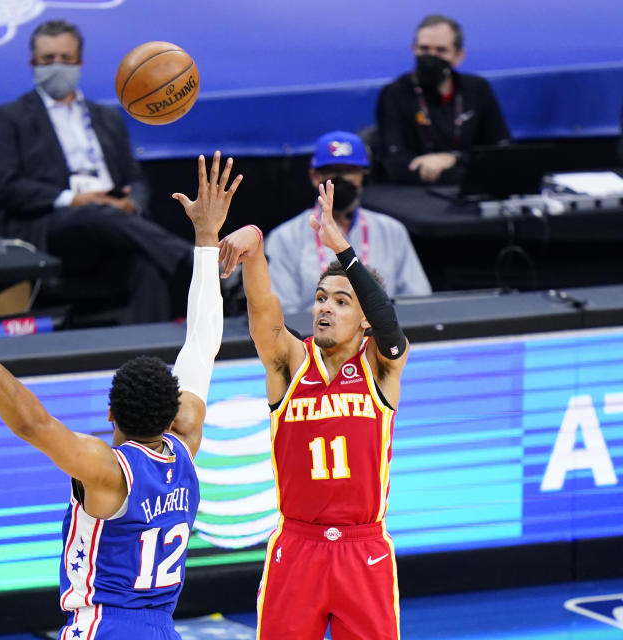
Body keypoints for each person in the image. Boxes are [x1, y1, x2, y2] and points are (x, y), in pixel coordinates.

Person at [0, 152, 240, 639]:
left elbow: (32, 424)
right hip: (164, 629)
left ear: (111, 412)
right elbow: (202, 343)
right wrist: (206, 238)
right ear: (170, 411)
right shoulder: (187, 442)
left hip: (106, 627)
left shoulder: (106, 469)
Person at [218, 180, 409, 639]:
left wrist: (340, 247)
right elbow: (264, 310)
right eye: (322, 297)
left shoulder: (381, 365)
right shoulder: (290, 361)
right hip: (297, 546)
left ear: (364, 318)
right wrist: (254, 250)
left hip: (363, 549)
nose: (325, 307)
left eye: (342, 302)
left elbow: (388, 320)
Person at [0, 20, 194, 324]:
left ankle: (149, 358)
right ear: (33, 64)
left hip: (113, 223)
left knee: (146, 257)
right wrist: (74, 199)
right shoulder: (10, 118)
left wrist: (131, 203)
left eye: (66, 59)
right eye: (48, 59)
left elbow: (135, 177)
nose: (57, 66)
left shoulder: (106, 117)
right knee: (94, 212)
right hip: (54, 227)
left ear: (80, 63)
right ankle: (194, 260)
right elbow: (5, 186)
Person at [267, 130, 430, 315]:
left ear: (363, 175)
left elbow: (419, 300)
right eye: (332, 171)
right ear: (314, 177)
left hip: (380, 337)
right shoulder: (285, 238)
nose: (341, 180)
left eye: (349, 171)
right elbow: (282, 314)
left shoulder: (391, 231)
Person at [376, 14, 510, 184]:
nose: (431, 58)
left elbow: (501, 153)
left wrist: (453, 158)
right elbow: (395, 165)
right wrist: (468, 170)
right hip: (412, 196)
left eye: (441, 50)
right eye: (424, 49)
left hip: (470, 191)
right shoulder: (394, 94)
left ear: (459, 56)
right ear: (413, 49)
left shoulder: (477, 89)